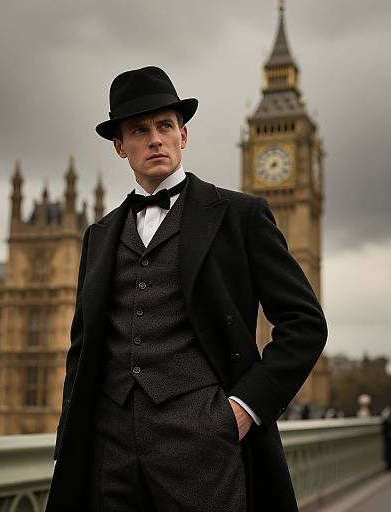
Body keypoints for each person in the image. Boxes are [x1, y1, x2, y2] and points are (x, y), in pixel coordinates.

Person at [45, 66, 328, 512]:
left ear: (184, 136)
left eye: (165, 126)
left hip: (204, 447)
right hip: (109, 453)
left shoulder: (240, 215)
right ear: (120, 147)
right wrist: (71, 443)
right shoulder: (98, 236)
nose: (155, 139)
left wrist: (242, 409)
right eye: (139, 130)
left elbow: (305, 324)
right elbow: (81, 351)